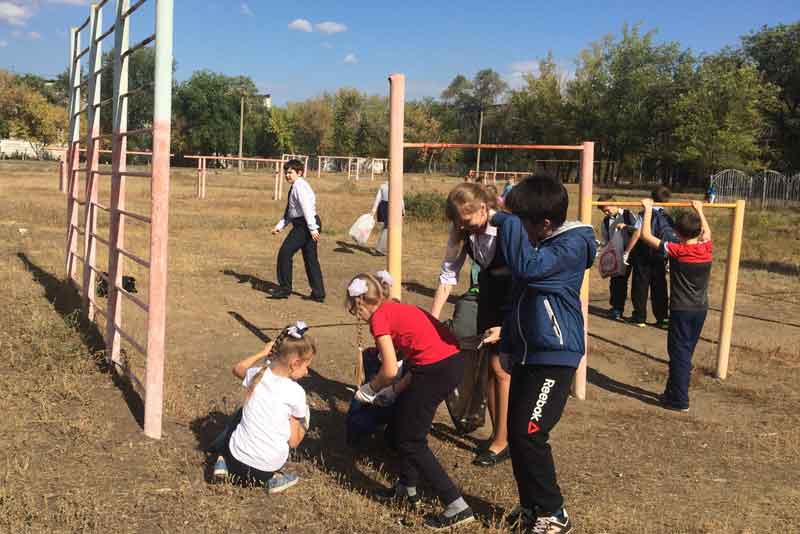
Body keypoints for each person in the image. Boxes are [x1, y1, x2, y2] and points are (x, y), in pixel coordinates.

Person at [491, 175, 596, 534]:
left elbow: (527, 270)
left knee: (530, 433)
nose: (518, 229)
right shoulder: (542, 245)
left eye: (521, 223)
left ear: (545, 223)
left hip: (555, 354)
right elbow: (517, 297)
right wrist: (508, 345)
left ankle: (554, 513)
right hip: (527, 353)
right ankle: (532, 508)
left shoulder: (571, 247)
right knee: (519, 437)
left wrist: (504, 220)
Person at [346, 273, 474, 530]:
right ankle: (406, 487)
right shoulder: (395, 306)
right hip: (448, 363)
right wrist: (395, 391)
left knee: (411, 439)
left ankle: (456, 505)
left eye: (353, 309)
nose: (354, 314)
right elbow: (418, 354)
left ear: (359, 303)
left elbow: (391, 368)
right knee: (403, 418)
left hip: (436, 371)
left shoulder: (379, 318)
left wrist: (370, 390)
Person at [430, 182, 513, 468]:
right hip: (489, 299)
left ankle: (504, 440)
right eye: (457, 222)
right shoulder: (464, 231)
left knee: (501, 369)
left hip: (513, 299)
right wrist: (434, 319)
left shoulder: (506, 227)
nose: (463, 227)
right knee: (490, 368)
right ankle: (499, 433)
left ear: (482, 208)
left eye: (465, 221)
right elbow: (447, 275)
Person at [211, 322, 314, 493]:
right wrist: (305, 422)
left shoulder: (257, 374)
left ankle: (222, 458)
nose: (307, 371)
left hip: (235, 460)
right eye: (306, 366)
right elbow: (294, 442)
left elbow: (238, 368)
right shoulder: (296, 393)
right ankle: (273, 479)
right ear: (295, 363)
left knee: (240, 414)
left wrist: (263, 352)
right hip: (264, 470)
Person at [638, 199, 712, 412]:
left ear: (677, 233)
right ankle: (671, 393)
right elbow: (707, 232)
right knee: (684, 351)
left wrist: (648, 210)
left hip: (681, 310)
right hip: (701, 308)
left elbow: (646, 236)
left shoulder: (677, 250)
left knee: (679, 353)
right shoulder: (706, 248)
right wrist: (699, 210)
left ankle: (680, 400)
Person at [271, 159, 325, 302]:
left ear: (299, 173)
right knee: (310, 258)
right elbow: (292, 212)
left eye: (290, 172)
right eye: (286, 172)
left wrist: (312, 229)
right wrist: (279, 226)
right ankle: (318, 293)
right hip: (306, 223)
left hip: (306, 225)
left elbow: (306, 208)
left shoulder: (299, 186)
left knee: (285, 252)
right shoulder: (297, 185)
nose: (287, 175)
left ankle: (284, 289)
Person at [628, 185, 674, 328]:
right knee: (659, 285)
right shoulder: (668, 217)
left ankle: (639, 316)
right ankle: (662, 318)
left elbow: (638, 232)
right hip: (660, 252)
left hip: (643, 252)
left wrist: (627, 251)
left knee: (640, 285)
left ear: (651, 197)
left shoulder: (644, 213)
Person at [596, 194, 640, 320]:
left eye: (607, 209)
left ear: (615, 204)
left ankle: (638, 312)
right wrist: (601, 246)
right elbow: (606, 239)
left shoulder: (628, 214)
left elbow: (637, 230)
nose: (606, 213)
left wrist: (627, 228)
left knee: (637, 283)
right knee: (617, 282)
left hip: (633, 253)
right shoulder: (605, 221)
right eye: (603, 211)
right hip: (617, 255)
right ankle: (617, 308)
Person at [370, 182, 404, 256]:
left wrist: (374, 210)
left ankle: (387, 248)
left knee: (389, 228)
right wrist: (403, 210)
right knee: (388, 228)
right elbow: (400, 198)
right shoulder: (397, 184)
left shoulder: (383, 186)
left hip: (383, 206)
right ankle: (380, 249)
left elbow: (378, 199)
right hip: (392, 206)